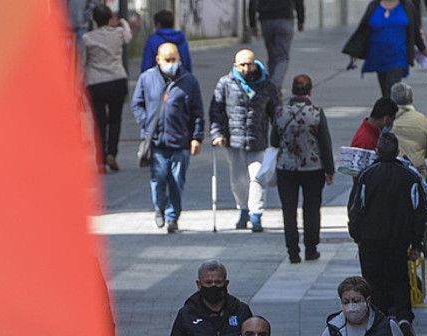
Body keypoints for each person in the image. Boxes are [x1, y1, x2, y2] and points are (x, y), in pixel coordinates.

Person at [348, 133, 427, 336]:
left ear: (377, 151)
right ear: (397, 152)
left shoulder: (367, 175)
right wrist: (417, 242)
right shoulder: (409, 176)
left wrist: (356, 235)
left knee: (373, 282)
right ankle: (403, 318)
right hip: (399, 240)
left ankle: (380, 324)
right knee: (400, 280)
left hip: (370, 240)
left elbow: (356, 209)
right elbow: (420, 211)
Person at [132, 43, 204, 234]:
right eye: (168, 60)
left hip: (180, 141)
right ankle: (159, 208)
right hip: (156, 142)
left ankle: (172, 216)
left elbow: (197, 112)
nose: (172, 63)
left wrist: (196, 137)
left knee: (176, 181)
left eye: (175, 59)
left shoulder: (189, 81)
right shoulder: (147, 78)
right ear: (158, 60)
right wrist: (146, 124)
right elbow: (137, 104)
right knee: (159, 178)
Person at [209, 49, 280, 232]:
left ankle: (256, 214)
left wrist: (280, 136)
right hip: (234, 140)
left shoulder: (266, 85)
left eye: (250, 64)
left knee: (257, 177)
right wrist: (217, 134)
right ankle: (243, 210)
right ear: (235, 66)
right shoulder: (225, 83)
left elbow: (276, 112)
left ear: (255, 64)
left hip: (258, 139)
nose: (246, 68)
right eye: (242, 65)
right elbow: (216, 111)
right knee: (239, 180)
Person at [273, 74, 334, 263]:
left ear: (292, 90)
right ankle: (311, 248)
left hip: (286, 168)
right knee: (312, 209)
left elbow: (273, 140)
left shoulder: (280, 112)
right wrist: (329, 170)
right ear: (310, 90)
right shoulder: (316, 113)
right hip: (313, 168)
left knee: (288, 210)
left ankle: (292, 251)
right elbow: (325, 143)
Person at [389, 82, 427, 257]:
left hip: (394, 170)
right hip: (418, 170)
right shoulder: (421, 119)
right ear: (412, 98)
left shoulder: (390, 119)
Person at [81, 5, 133, 173]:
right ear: (110, 18)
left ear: (94, 20)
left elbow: (83, 62)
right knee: (116, 119)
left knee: (99, 122)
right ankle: (112, 152)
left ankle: (100, 160)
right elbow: (129, 36)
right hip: (117, 80)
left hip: (96, 83)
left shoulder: (88, 38)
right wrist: (123, 22)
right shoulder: (118, 33)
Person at [343, 0, 427, 97]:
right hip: (378, 55)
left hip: (399, 55)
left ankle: (391, 109)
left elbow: (414, 30)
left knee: (392, 86)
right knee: (384, 88)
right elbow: (362, 30)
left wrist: (422, 48)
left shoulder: (407, 6)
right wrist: (354, 51)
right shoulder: (374, 6)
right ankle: (388, 109)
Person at [248, 0, 305, 89]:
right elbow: (299, 2)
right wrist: (301, 20)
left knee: (272, 57)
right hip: (285, 19)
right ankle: (274, 86)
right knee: (282, 57)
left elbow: (253, 3)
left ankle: (273, 88)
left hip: (266, 20)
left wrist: (253, 24)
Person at [140, 9, 193, 74]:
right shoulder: (181, 38)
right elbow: (187, 62)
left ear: (158, 24)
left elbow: (147, 65)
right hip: (180, 79)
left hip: (158, 80)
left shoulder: (153, 40)